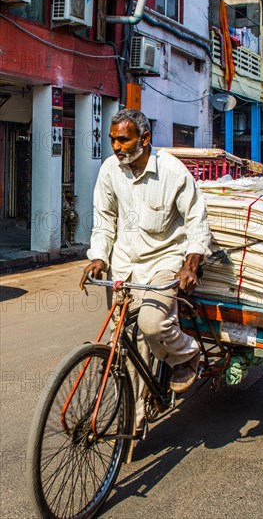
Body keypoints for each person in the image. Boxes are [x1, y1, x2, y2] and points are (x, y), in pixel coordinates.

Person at [80, 109, 211, 437]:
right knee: (125, 346)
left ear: (145, 139)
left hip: (163, 260)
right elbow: (104, 218)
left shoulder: (172, 172)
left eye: (123, 139)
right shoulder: (110, 170)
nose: (116, 146)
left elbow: (196, 220)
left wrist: (191, 264)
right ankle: (133, 424)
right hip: (125, 264)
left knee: (152, 325)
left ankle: (187, 354)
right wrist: (98, 257)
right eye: (112, 139)